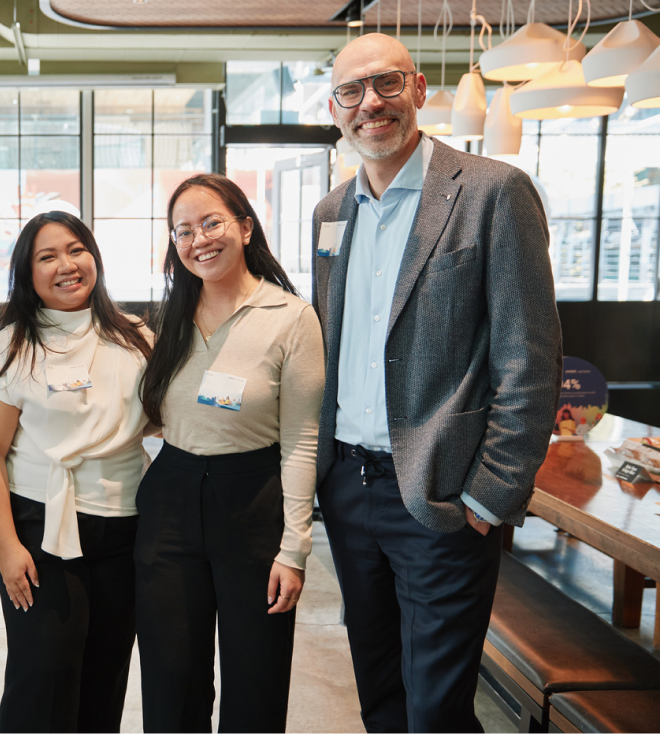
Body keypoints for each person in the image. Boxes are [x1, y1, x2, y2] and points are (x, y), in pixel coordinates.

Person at [313, 33, 562, 733]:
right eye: (351, 92)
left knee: (435, 709)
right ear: (334, 108)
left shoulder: (492, 193)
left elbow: (530, 355)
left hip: (442, 493)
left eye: (386, 84)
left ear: (419, 89)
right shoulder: (330, 213)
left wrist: (492, 491)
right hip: (347, 487)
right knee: (380, 694)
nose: (370, 104)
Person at [137, 173, 325, 733]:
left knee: (257, 674)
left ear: (245, 226)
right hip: (171, 497)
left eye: (211, 222)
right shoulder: (167, 317)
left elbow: (301, 440)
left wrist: (295, 548)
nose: (199, 240)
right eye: (183, 231)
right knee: (171, 678)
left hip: (254, 500)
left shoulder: (290, 317)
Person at [0, 211, 153, 734]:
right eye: (47, 257)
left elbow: (163, 419)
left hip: (126, 526)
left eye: (76, 250)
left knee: (106, 674)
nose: (66, 265)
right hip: (41, 526)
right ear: (27, 275)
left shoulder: (135, 337)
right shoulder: (11, 346)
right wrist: (7, 547)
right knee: (43, 677)